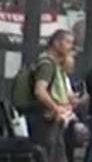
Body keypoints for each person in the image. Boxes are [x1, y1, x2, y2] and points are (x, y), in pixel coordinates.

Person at [26, 29, 76, 162]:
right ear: (56, 42)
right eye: (67, 42)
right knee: (47, 155)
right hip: (45, 119)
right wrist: (55, 108)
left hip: (54, 120)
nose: (70, 46)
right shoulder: (47, 65)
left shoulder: (56, 66)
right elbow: (40, 91)